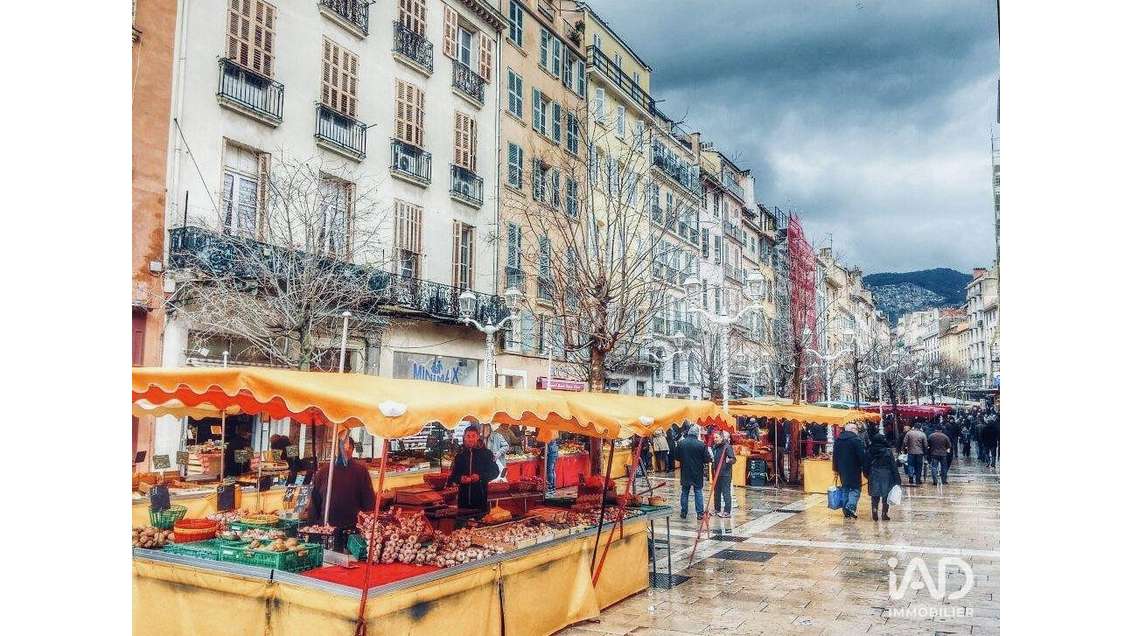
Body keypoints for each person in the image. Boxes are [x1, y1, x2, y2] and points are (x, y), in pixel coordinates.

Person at [307, 432, 376, 531]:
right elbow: (315, 502)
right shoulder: (323, 471)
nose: (344, 450)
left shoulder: (361, 471)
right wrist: (313, 527)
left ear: (352, 449)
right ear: (335, 449)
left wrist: (368, 525)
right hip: (326, 527)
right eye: (340, 447)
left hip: (352, 527)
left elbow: (368, 501)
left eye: (348, 447)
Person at [446, 424, 500, 513]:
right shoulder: (459, 455)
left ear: (478, 437)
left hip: (480, 499)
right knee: (462, 525)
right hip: (463, 501)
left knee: (480, 524)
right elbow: (453, 476)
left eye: (473, 436)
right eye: (468, 436)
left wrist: (480, 477)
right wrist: (460, 479)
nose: (470, 439)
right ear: (464, 437)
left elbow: (495, 472)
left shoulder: (486, 454)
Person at [675, 425, 714, 520]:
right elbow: (706, 459)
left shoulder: (681, 443)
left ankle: (683, 512)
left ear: (689, 432)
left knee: (685, 491)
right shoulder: (701, 444)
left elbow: (676, 457)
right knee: (698, 491)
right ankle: (700, 513)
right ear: (697, 434)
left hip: (685, 471)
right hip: (697, 472)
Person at [832, 423, 868, 519]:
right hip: (854, 468)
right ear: (852, 429)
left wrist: (835, 468)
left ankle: (845, 510)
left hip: (842, 469)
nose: (857, 431)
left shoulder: (838, 440)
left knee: (845, 488)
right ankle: (850, 506)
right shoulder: (856, 440)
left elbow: (835, 455)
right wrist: (864, 465)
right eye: (856, 429)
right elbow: (861, 455)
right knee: (855, 489)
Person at [866, 429, 901, 522]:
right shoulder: (888, 451)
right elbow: (893, 465)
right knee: (886, 495)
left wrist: (867, 474)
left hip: (874, 473)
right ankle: (884, 513)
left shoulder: (869, 450)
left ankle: (874, 511)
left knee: (875, 494)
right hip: (886, 474)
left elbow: (866, 464)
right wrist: (897, 478)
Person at [711, 431, 736, 517]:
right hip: (716, 473)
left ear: (722, 438)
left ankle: (727, 511)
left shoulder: (727, 447)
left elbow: (733, 459)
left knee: (726, 492)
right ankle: (717, 509)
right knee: (716, 492)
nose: (715, 439)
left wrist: (729, 460)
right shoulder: (715, 447)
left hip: (725, 474)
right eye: (714, 438)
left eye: (717, 437)